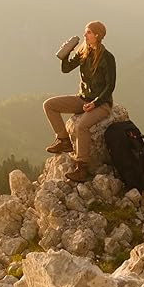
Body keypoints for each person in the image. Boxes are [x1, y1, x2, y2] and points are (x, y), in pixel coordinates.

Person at [43, 21, 117, 182]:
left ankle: (81, 168)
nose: (85, 35)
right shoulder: (84, 52)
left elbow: (110, 86)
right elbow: (66, 69)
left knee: (81, 126)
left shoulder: (107, 57)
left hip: (102, 104)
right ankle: (64, 141)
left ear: (97, 35)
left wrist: (95, 103)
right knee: (49, 105)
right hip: (82, 98)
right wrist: (66, 53)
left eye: (88, 32)